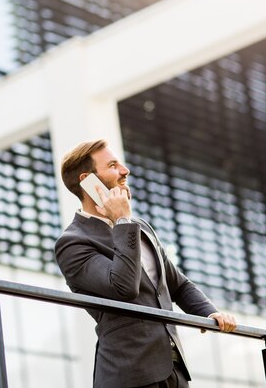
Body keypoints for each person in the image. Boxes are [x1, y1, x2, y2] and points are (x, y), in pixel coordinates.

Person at [55, 139, 236, 388]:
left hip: (174, 372)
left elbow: (177, 285)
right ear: (88, 180)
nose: (125, 171)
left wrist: (209, 313)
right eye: (113, 165)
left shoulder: (140, 228)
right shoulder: (73, 243)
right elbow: (124, 287)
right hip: (130, 376)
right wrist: (122, 221)